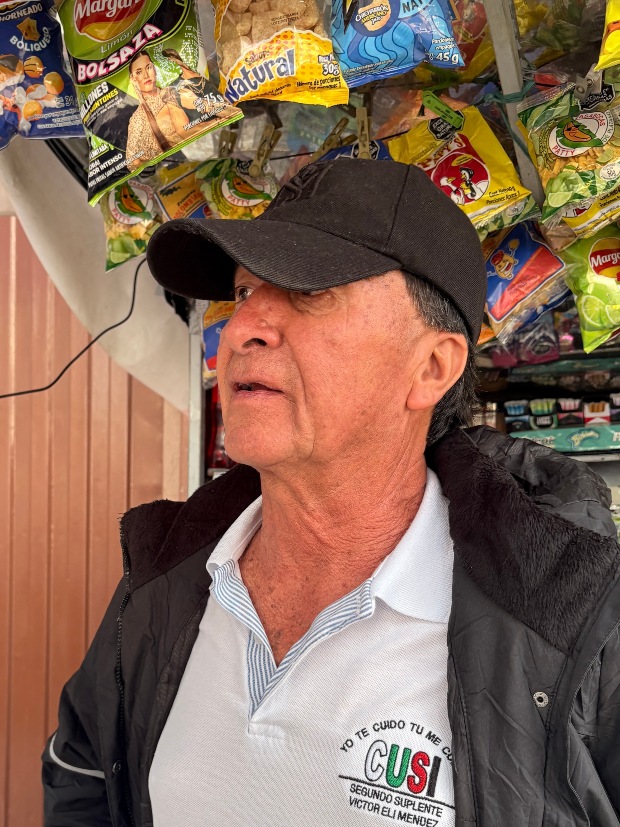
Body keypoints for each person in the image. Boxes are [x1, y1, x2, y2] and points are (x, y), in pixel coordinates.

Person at [42, 158, 620, 827]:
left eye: (310, 292)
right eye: (244, 291)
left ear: (432, 367)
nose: (243, 328)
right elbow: (83, 774)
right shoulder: (163, 576)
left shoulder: (574, 623)